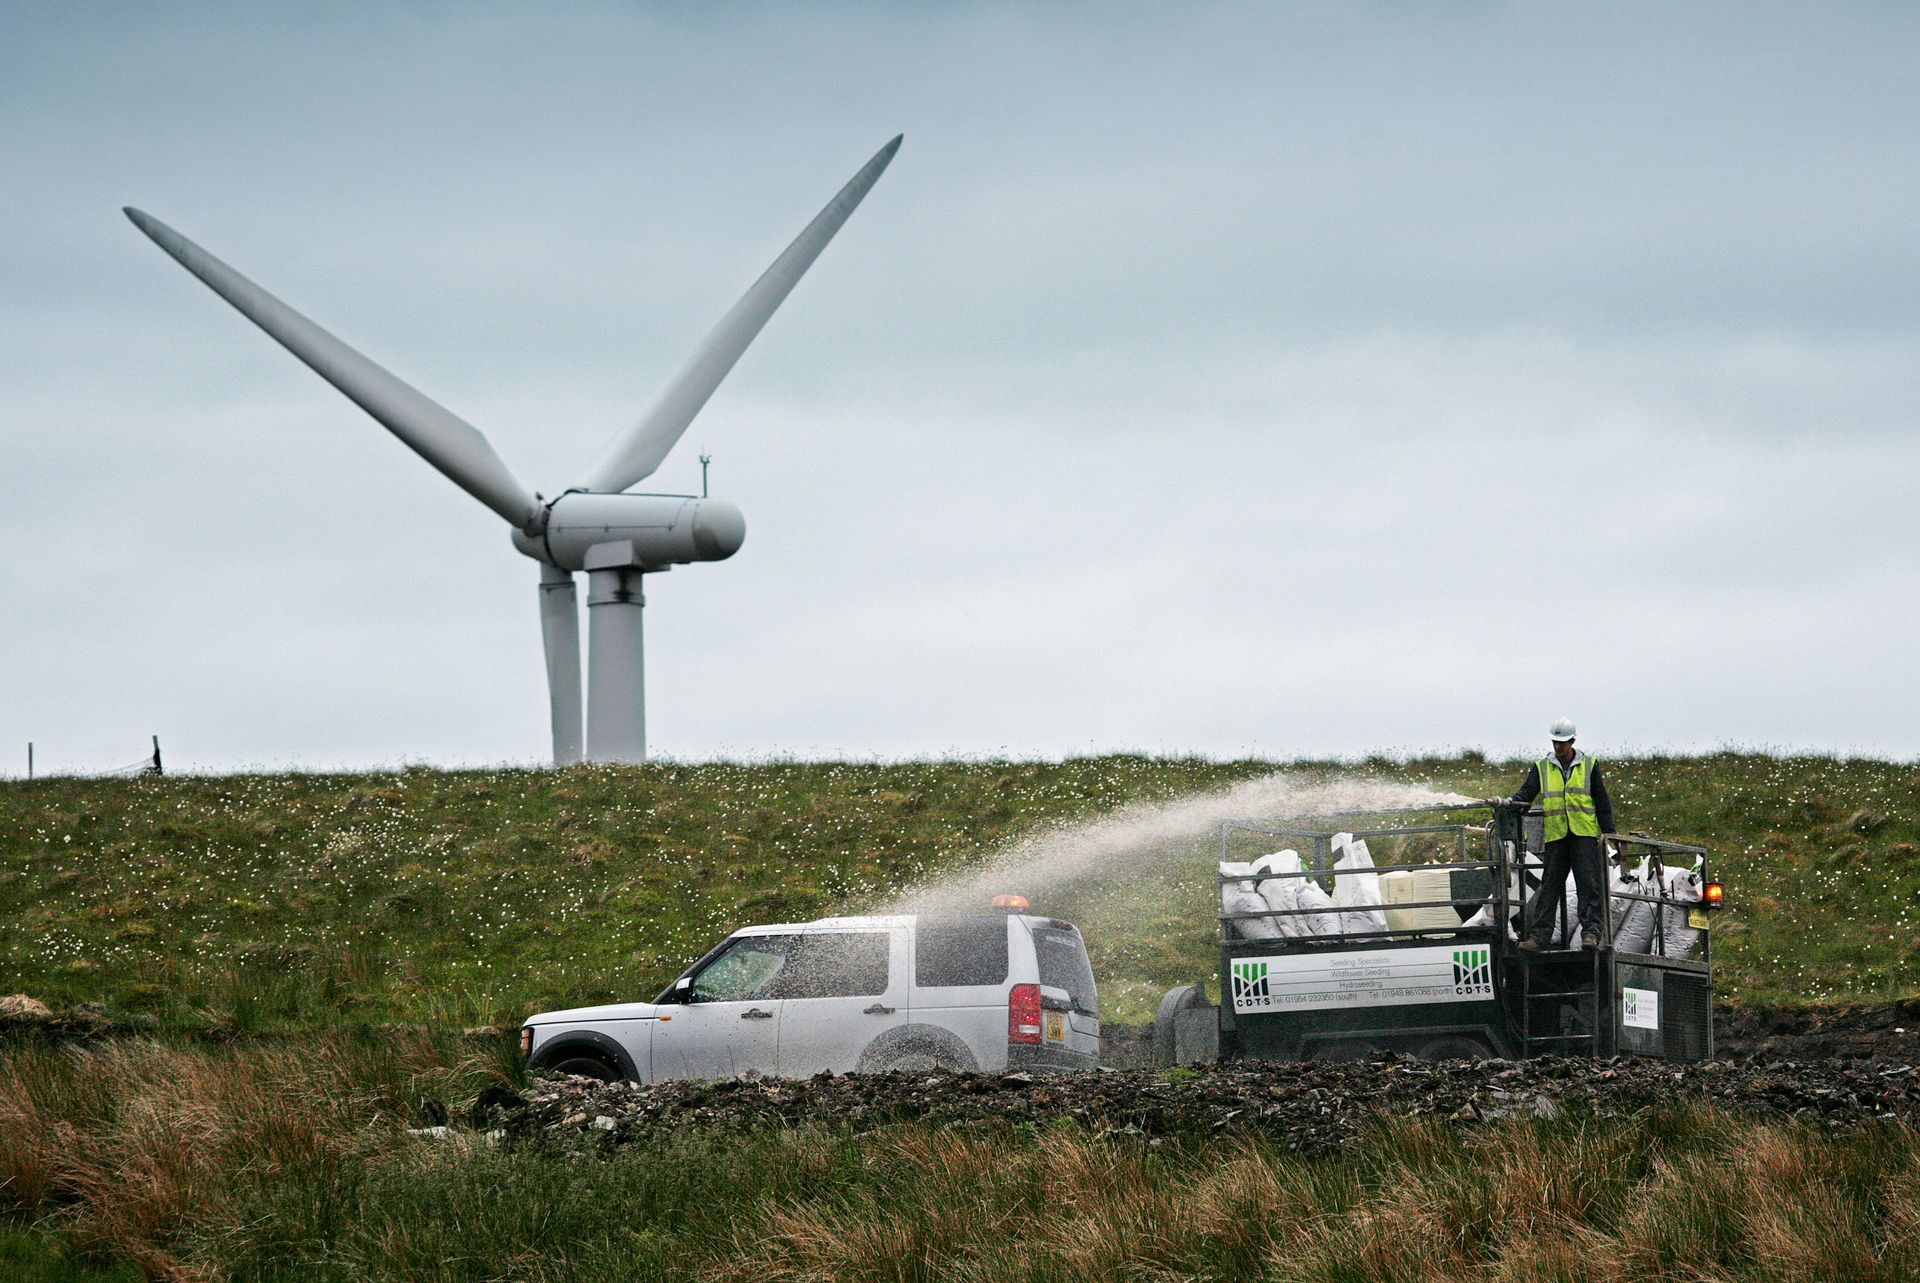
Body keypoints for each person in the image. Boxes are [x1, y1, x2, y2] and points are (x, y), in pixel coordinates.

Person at [1504, 718, 1615, 952]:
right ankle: (1539, 938)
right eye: (1555, 742)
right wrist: (1513, 803)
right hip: (1556, 837)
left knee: (1588, 886)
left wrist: (1609, 833)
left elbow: (1602, 801)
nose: (1558, 747)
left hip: (1583, 835)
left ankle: (1591, 934)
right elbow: (1527, 792)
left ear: (1573, 741)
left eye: (1563, 743)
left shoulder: (1590, 765)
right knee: (1549, 887)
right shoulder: (1542, 767)